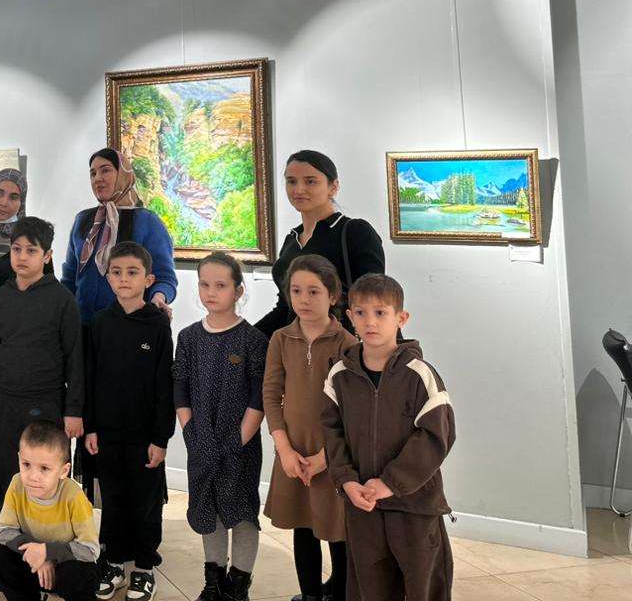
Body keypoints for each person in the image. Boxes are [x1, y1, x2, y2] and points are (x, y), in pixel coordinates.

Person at [322, 274, 455, 601]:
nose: (370, 321)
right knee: (369, 588)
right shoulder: (339, 376)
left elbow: (436, 436)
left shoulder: (420, 375)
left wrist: (391, 483)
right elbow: (332, 434)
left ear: (401, 318)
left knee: (424, 586)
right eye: (361, 313)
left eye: (380, 313)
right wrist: (346, 481)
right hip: (363, 507)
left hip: (415, 508)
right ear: (350, 317)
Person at [173, 252, 268, 601]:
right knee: (207, 508)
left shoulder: (252, 339)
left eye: (221, 285)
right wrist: (191, 433)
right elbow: (180, 388)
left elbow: (258, 398)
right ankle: (213, 582)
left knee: (241, 511)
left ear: (238, 290)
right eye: (204, 285)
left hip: (240, 445)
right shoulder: (188, 338)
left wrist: (237, 441)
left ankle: (238, 585)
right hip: (201, 442)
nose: (211, 292)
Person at [262, 254, 356, 601]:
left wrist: (326, 457)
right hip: (293, 451)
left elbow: (354, 410)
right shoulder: (280, 339)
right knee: (302, 528)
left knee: (337, 532)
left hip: (331, 454)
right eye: (296, 291)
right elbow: (271, 394)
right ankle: (310, 595)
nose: (303, 299)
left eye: (313, 291)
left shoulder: (348, 345)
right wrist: (284, 449)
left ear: (333, 295)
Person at [83, 241, 173, 601]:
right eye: (117, 272)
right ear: (108, 278)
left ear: (148, 279)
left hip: (144, 436)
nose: (124, 279)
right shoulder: (100, 322)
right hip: (106, 433)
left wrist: (160, 438)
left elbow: (164, 385)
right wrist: (91, 426)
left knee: (145, 503)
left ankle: (144, 568)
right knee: (114, 500)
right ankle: (115, 561)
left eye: (132, 272)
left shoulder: (158, 325)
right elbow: (90, 377)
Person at [0, 217, 85, 502]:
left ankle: (49, 532)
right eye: (16, 249)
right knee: (9, 480)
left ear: (47, 256)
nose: (22, 257)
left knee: (48, 484)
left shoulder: (63, 300)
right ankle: (10, 531)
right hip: (5, 405)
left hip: (47, 403)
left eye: (31, 250)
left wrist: (73, 410)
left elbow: (75, 358)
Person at [255, 150, 384, 338]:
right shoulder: (292, 240)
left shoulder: (355, 231)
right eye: (291, 181)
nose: (299, 189)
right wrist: (243, 339)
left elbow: (375, 299)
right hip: (300, 348)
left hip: (343, 346)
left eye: (310, 181)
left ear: (333, 187)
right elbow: (285, 309)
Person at [0, 421, 100, 601]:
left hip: (65, 566)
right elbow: (3, 531)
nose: (32, 476)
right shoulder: (17, 484)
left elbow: (90, 550)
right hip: (33, 565)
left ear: (64, 471)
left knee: (79, 577)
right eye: (26, 464)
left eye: (44, 468)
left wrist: (47, 552)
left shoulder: (74, 496)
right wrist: (36, 556)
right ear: (19, 458)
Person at [61, 148, 177, 325]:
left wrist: (158, 297)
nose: (97, 178)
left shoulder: (147, 222)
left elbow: (165, 277)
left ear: (123, 175)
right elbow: (70, 277)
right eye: (93, 173)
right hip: (80, 326)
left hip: (128, 326)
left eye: (105, 170)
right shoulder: (82, 220)